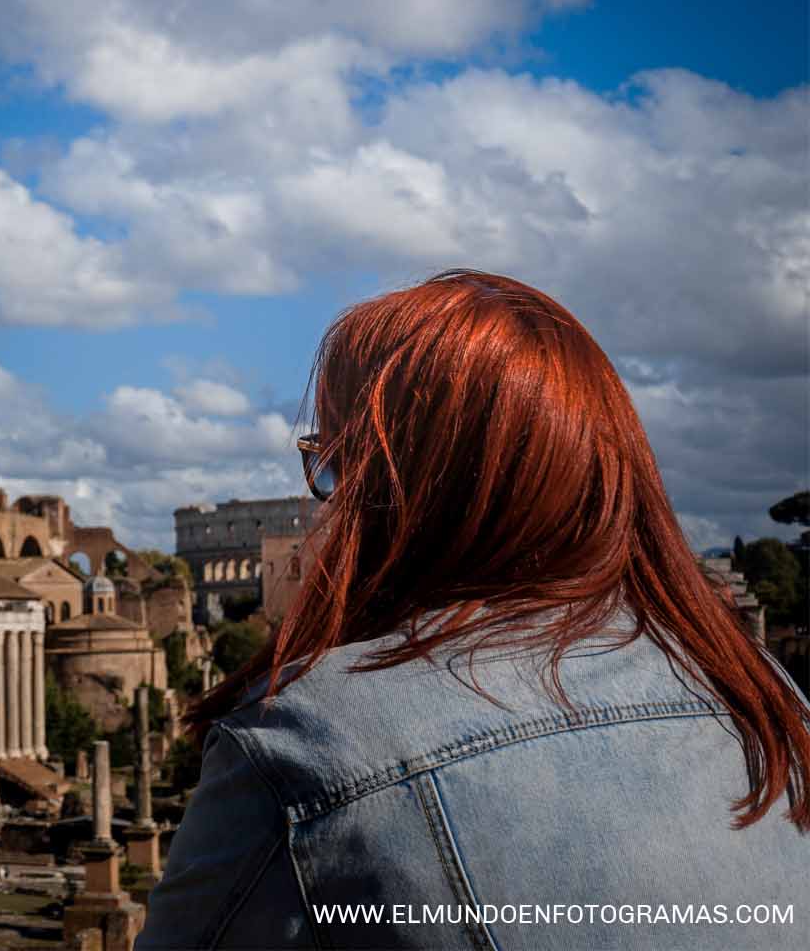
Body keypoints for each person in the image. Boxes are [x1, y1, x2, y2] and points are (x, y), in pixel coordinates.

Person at [137, 271, 809, 949]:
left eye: (335, 466)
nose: (329, 504)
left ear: (399, 486)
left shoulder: (299, 747)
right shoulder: (766, 699)